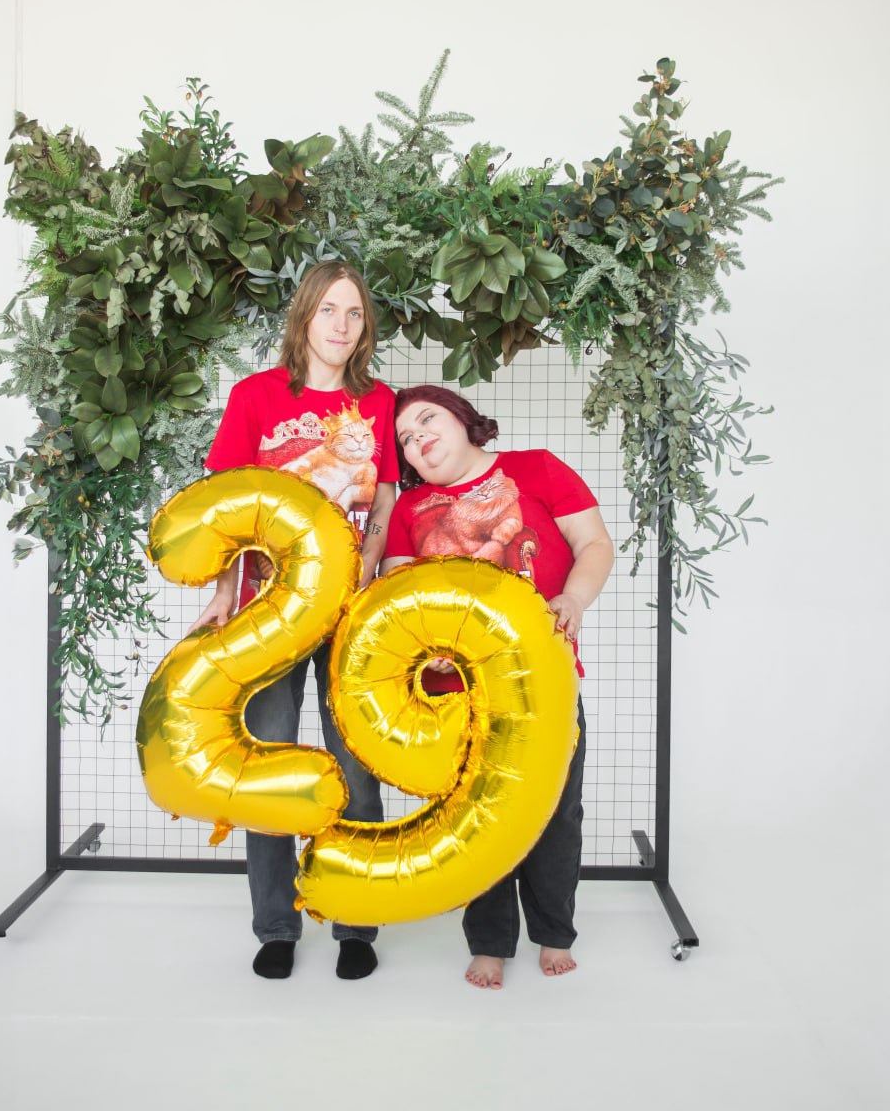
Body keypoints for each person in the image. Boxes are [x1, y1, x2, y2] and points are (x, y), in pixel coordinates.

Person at [191, 261, 398, 981]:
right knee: (270, 767)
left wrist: (367, 567)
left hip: (348, 612)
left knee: (356, 770)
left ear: (364, 327)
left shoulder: (379, 402)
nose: (341, 325)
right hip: (269, 611)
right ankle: (276, 926)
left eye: (354, 313)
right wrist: (224, 590)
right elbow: (224, 503)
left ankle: (355, 923)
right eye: (328, 310)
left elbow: (383, 500)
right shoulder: (255, 396)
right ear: (304, 315)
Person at [381, 384, 614, 990]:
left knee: (556, 815)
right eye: (405, 438)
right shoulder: (409, 509)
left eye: (427, 419)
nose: (418, 438)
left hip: (544, 685)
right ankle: (488, 942)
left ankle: (555, 933)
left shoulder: (537, 469)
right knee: (474, 816)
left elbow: (594, 543)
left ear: (462, 419)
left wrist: (574, 599)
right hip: (456, 694)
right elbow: (398, 597)